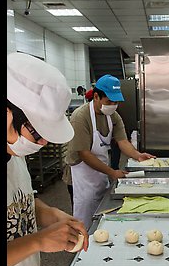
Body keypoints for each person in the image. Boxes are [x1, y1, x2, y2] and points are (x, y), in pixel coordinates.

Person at [7, 52, 89, 266]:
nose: (41, 143)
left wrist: (49, 214)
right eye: (36, 132)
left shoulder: (13, 153)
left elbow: (21, 200)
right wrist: (40, 241)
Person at [65, 74, 155, 229]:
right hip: (80, 175)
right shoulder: (80, 117)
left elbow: (123, 141)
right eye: (109, 101)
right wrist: (111, 172)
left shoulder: (112, 115)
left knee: (101, 212)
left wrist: (138, 155)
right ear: (96, 96)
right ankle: (81, 248)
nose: (113, 105)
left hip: (100, 170)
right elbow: (84, 154)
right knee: (84, 218)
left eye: (116, 102)